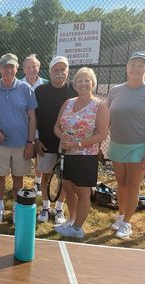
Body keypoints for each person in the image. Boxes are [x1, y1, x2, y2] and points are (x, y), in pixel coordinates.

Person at [53, 67, 109, 238]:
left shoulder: (99, 105)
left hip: (86, 157)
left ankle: (78, 229)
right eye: (80, 81)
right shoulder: (68, 102)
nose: (83, 84)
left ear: (92, 83)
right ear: (75, 84)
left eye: (87, 80)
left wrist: (77, 144)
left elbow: (102, 134)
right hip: (66, 154)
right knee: (68, 188)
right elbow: (56, 126)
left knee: (83, 192)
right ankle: (72, 220)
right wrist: (62, 136)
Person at [0, 53, 37, 224]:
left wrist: (30, 142)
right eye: (5, 66)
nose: (8, 70)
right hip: (0, 144)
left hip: (21, 144)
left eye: (12, 66)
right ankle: (0, 207)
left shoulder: (26, 89)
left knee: (18, 178)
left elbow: (32, 117)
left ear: (17, 68)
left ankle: (16, 207)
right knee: (0, 176)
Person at [35, 56, 78, 225]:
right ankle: (45, 207)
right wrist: (36, 140)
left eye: (63, 70)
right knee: (45, 176)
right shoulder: (40, 91)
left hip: (68, 145)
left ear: (67, 71)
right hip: (46, 143)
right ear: (50, 72)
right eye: (56, 70)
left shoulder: (74, 90)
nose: (59, 73)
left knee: (65, 179)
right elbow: (35, 118)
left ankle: (59, 209)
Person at [108, 51, 145, 239]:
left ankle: (127, 224)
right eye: (133, 64)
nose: (136, 68)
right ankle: (121, 216)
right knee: (121, 185)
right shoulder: (115, 90)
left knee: (132, 186)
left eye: (140, 65)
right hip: (116, 145)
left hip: (139, 147)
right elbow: (106, 118)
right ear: (127, 67)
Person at [21, 54, 48, 196]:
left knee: (39, 156)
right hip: (23, 126)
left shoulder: (45, 84)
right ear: (23, 69)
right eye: (28, 67)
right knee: (22, 155)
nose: (31, 69)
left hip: (42, 126)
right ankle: (17, 183)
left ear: (39, 67)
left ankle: (37, 182)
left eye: (34, 66)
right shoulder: (18, 84)